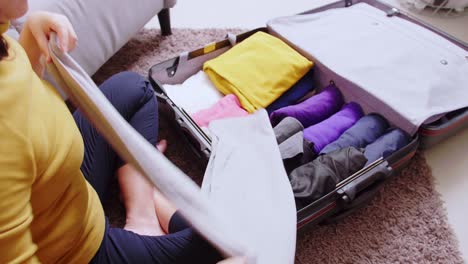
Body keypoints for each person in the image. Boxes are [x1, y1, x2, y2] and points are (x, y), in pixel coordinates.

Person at [0, 1, 245, 263]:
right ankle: (146, 198)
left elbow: (25, 103)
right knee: (228, 242)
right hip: (77, 251)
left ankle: (142, 217)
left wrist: (29, 38)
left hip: (63, 186)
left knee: (133, 89)